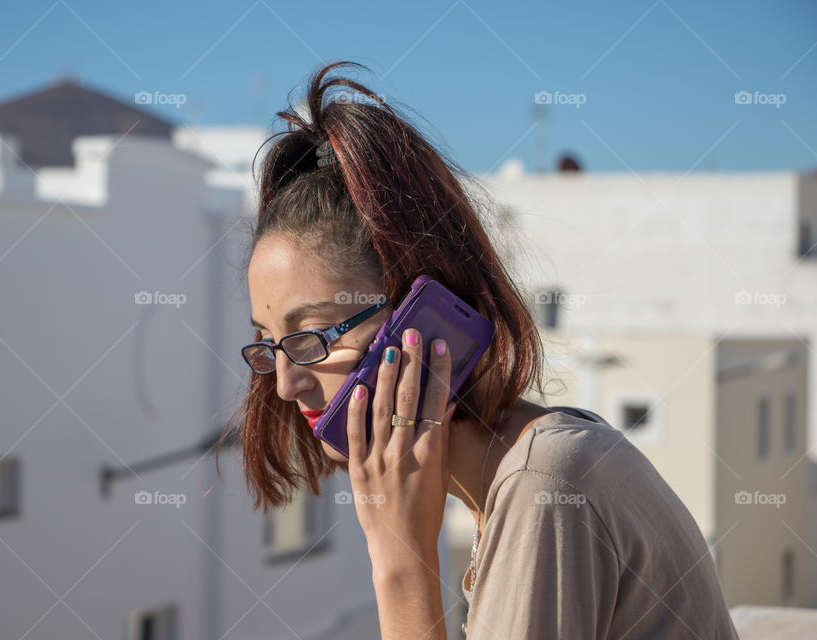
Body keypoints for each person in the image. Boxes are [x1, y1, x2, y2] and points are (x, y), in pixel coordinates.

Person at [222, 61, 739, 639]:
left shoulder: (543, 484)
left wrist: (399, 561)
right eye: (268, 346)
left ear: (425, 316)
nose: (285, 384)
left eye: (313, 336)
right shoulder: (519, 480)